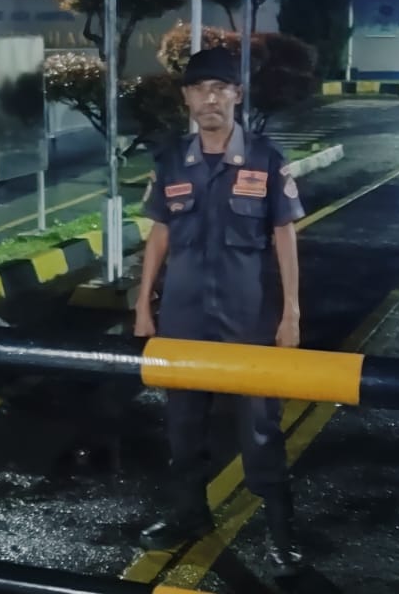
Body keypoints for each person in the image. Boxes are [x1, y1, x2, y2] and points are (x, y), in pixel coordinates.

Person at [133, 47, 307, 575]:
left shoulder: (265, 158)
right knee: (183, 424)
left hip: (247, 317)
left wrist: (291, 313)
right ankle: (190, 515)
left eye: (219, 89)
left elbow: (284, 235)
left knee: (260, 428)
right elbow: (160, 233)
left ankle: (282, 534)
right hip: (184, 317)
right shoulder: (171, 159)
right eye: (199, 90)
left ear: (236, 95)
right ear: (187, 98)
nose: (209, 99)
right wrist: (143, 304)